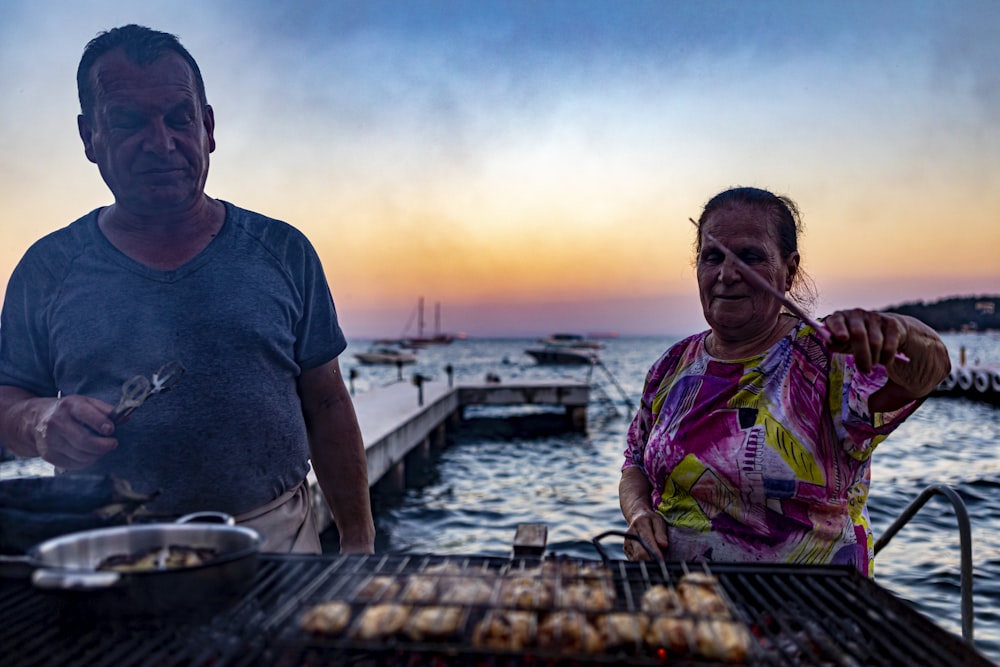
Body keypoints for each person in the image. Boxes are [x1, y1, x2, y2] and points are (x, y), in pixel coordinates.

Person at [0, 25, 375, 554]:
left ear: (208, 126)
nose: (161, 142)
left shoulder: (283, 251)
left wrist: (357, 536)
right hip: (105, 548)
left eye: (178, 117)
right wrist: (39, 423)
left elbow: (329, 402)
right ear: (89, 137)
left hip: (274, 545)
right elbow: (7, 398)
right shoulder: (47, 268)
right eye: (128, 122)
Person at [619, 186, 950, 576]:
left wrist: (899, 331)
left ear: (789, 271)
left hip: (811, 607)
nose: (726, 274)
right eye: (713, 257)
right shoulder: (671, 366)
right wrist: (640, 514)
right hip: (686, 606)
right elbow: (634, 464)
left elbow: (930, 370)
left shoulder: (827, 357)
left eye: (749, 257)